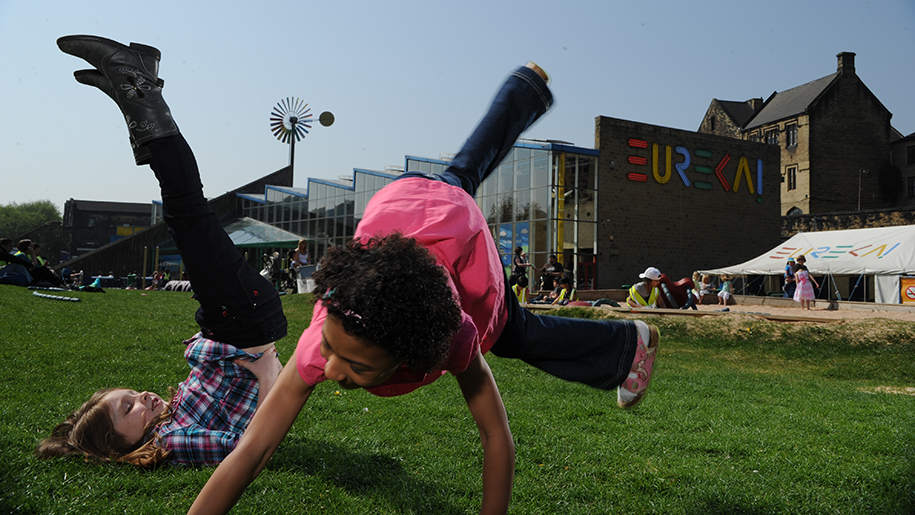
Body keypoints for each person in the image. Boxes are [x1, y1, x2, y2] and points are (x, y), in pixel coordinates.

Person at [55, 36, 659, 514]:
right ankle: (522, 93)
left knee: (504, 324)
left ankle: (624, 341)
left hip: (455, 232)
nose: (332, 372)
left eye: (357, 365)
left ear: (414, 354)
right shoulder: (325, 339)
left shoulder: (453, 337)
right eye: (339, 355)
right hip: (397, 208)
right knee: (456, 175)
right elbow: (253, 450)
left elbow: (496, 440)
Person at [38, 35, 290, 468]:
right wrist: (270, 373)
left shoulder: (167, 421)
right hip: (242, 321)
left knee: (183, 209)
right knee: (186, 207)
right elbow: (253, 449)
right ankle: (137, 85)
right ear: (118, 442)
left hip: (228, 322)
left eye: (129, 396)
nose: (141, 399)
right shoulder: (174, 442)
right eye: (128, 409)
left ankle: (137, 86)